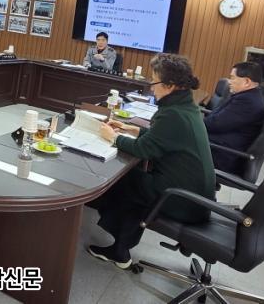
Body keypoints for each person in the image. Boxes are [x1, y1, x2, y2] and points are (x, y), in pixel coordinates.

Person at [87, 53, 215, 269]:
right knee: (135, 182)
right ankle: (121, 247)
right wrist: (131, 129)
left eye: (154, 82)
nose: (151, 88)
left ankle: (119, 249)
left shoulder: (173, 114)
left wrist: (114, 137)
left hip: (182, 199)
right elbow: (164, 137)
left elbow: (143, 149)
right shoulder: (185, 106)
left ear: (169, 85)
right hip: (195, 195)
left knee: (122, 181)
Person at [204, 62, 264, 176]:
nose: (229, 81)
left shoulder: (247, 102)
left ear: (246, 82)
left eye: (232, 78)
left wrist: (195, 123)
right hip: (218, 147)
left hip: (221, 155)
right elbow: (215, 118)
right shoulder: (248, 96)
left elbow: (214, 124)